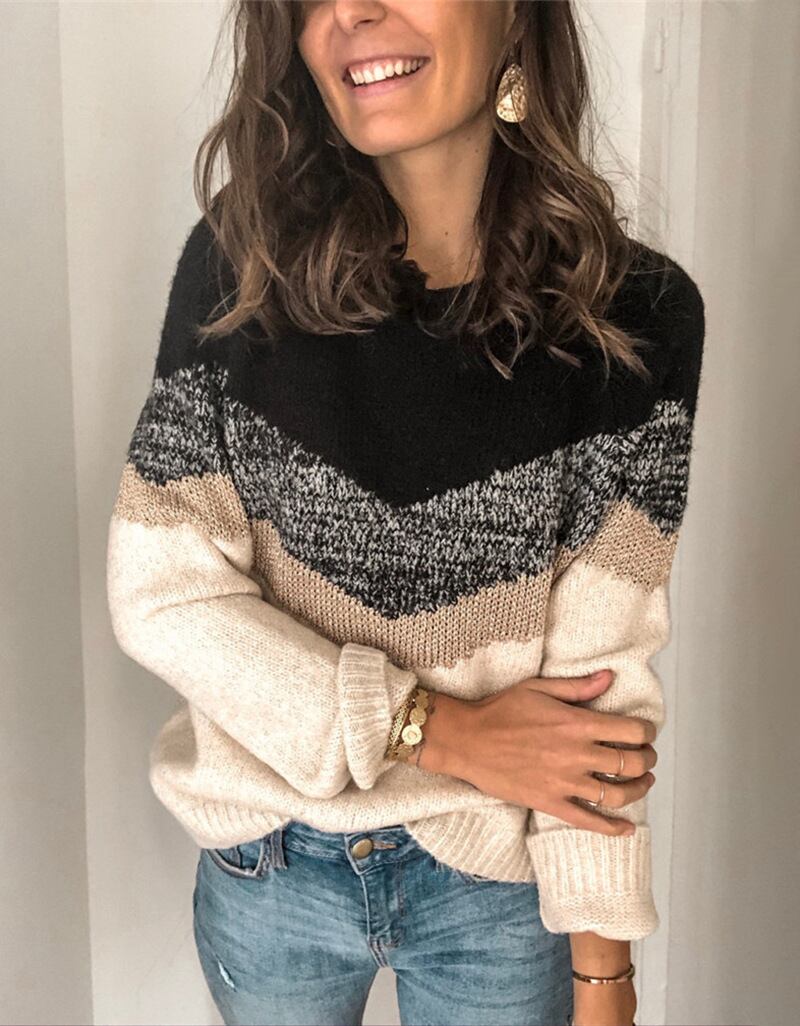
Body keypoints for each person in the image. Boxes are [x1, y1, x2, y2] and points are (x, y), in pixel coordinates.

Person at [105, 2, 706, 1024]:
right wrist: (436, 731)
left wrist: (605, 975)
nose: (350, 11)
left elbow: (597, 696)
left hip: (499, 894)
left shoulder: (634, 322)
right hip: (269, 866)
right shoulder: (238, 269)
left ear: (512, 16)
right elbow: (164, 596)